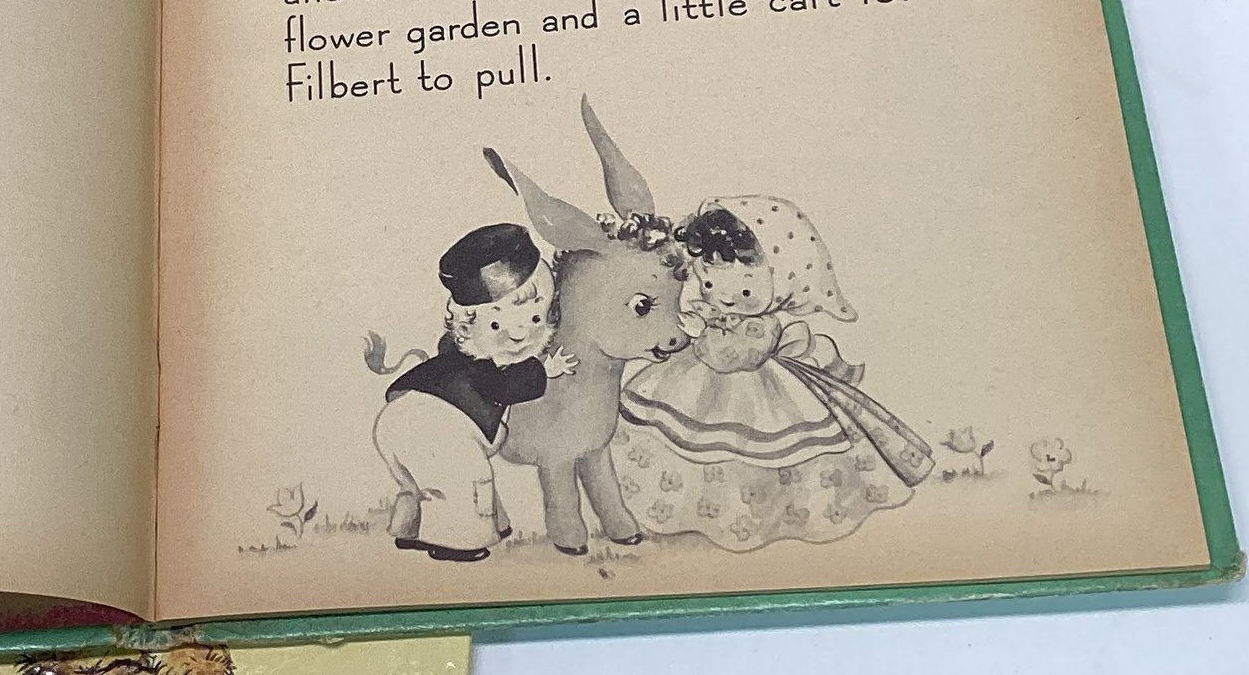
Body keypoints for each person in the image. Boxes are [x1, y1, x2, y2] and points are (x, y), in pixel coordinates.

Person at [615, 196, 932, 551]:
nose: (726, 298)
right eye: (709, 285)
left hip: (755, 390)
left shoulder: (761, 327)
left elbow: (729, 358)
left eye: (745, 290)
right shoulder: (714, 314)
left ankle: (753, 518)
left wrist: (701, 333)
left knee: (752, 451)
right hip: (699, 380)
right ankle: (685, 510)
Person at [371, 223, 577, 562]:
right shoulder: (483, 363)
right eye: (495, 325)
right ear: (467, 325)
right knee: (467, 480)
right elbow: (505, 386)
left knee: (422, 483)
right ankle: (456, 540)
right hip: (434, 424)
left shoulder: (460, 351)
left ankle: (411, 529)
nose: (519, 334)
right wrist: (546, 370)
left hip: (400, 419)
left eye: (535, 319)